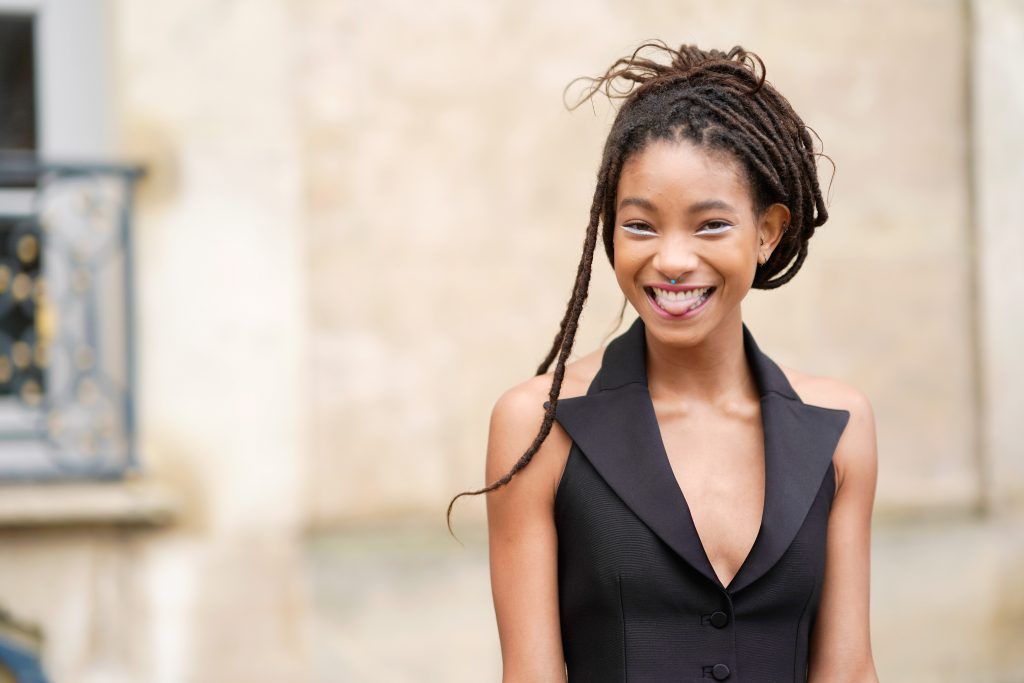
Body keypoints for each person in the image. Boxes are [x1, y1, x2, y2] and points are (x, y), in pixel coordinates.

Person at [447, 41, 879, 682]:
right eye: (641, 226)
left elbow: (848, 672)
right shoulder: (537, 426)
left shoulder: (839, 425)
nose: (672, 260)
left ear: (767, 232)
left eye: (710, 225)